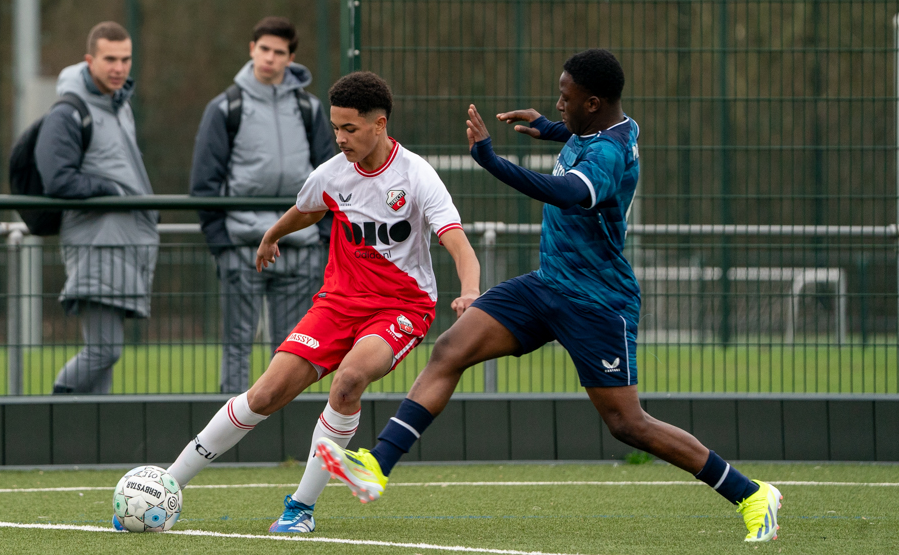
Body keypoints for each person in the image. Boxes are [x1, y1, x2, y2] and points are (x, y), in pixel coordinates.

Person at [317, 50, 783, 543]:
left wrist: (492, 162)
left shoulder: (607, 155)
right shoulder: (605, 130)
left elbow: (566, 192)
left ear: (594, 102)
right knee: (451, 349)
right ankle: (376, 465)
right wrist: (549, 127)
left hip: (598, 302)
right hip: (548, 284)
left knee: (628, 424)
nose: (559, 103)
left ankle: (751, 494)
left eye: (566, 98)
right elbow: (583, 138)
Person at [163, 71, 480, 534]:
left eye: (350, 128)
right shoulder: (331, 173)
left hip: (401, 308)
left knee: (349, 380)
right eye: (335, 127)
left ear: (380, 123)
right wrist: (272, 234)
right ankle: (169, 485)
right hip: (336, 303)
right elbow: (309, 208)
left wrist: (469, 289)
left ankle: (300, 509)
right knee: (266, 394)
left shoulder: (416, 176)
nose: (340, 138)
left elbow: (458, 243)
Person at [190, 16, 335, 394]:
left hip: (300, 250)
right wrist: (222, 245)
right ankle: (229, 443)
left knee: (294, 351)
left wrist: (321, 238)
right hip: (242, 247)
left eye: (279, 52)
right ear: (252, 49)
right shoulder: (225, 108)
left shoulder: (310, 109)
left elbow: (331, 178)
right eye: (264, 49)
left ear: (291, 58)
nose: (270, 58)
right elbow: (203, 184)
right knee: (237, 348)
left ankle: (284, 437)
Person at [39, 21, 159, 395]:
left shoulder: (119, 106)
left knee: (105, 356)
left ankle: (92, 441)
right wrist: (110, 190)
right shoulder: (69, 111)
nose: (118, 68)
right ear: (90, 60)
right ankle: (54, 406)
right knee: (104, 350)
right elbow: (57, 180)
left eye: (125, 59)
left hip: (123, 242)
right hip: (97, 242)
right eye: (110, 59)